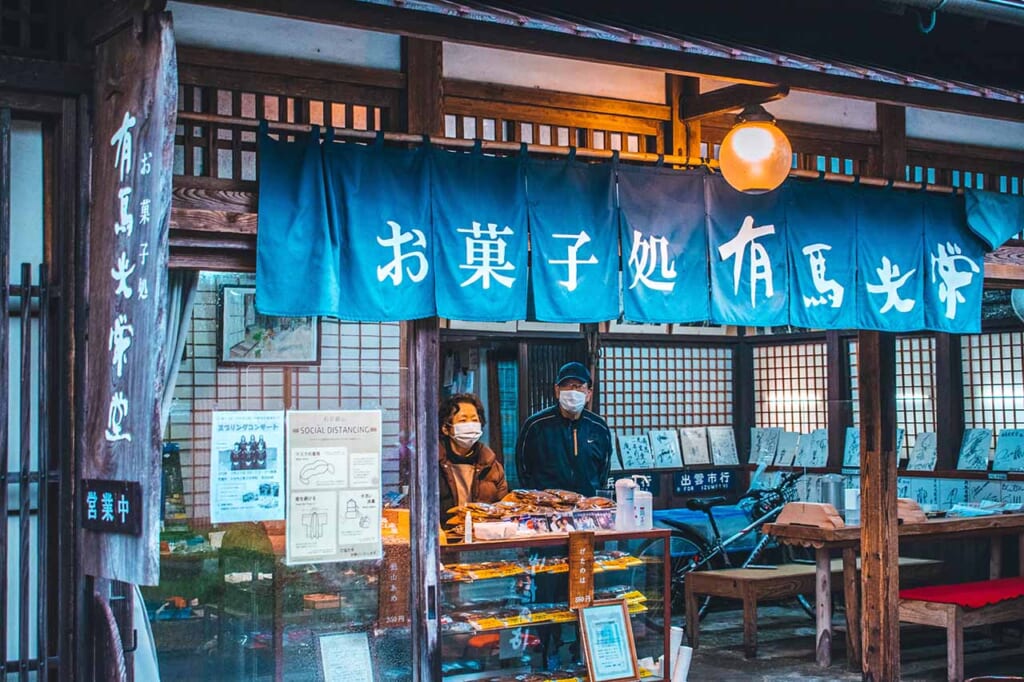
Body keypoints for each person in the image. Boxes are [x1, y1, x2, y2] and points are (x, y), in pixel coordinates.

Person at [515, 361, 612, 497]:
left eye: (578, 386)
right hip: (547, 506)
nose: (573, 391)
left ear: (589, 393)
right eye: (567, 385)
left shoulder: (599, 427)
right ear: (557, 390)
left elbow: (603, 472)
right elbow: (523, 468)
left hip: (587, 505)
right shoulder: (535, 425)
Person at [438, 393, 509, 514]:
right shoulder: (433, 464)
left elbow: (502, 508)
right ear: (445, 428)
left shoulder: (491, 465)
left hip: (482, 525)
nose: (470, 425)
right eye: (463, 420)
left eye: (475, 420)